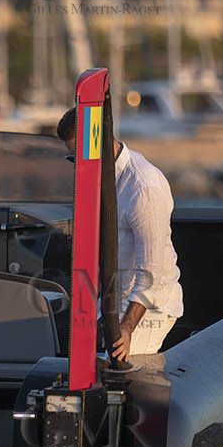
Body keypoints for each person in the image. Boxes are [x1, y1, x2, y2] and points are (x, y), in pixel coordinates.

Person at [57, 108, 183, 362]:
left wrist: (126, 329)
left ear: (99, 145)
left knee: (121, 377)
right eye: (73, 159)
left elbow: (152, 273)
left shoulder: (143, 187)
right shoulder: (103, 177)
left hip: (149, 309)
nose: (78, 165)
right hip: (115, 299)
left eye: (80, 157)